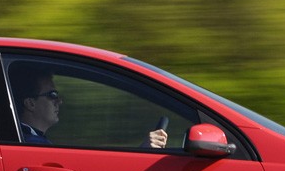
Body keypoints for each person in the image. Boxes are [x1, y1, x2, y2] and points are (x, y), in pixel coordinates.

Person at [9, 63, 167, 149]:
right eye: (53, 95)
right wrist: (142, 152)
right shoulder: (33, 145)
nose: (60, 101)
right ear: (30, 103)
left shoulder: (31, 141)